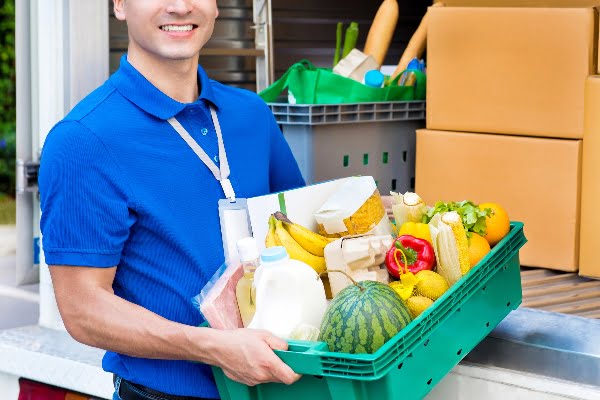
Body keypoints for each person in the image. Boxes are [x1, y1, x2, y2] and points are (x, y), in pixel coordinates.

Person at [38, 1, 305, 399]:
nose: (180, 7)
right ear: (119, 6)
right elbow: (84, 311)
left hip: (281, 385)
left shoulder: (251, 114)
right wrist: (214, 349)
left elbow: (299, 231)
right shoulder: (84, 139)